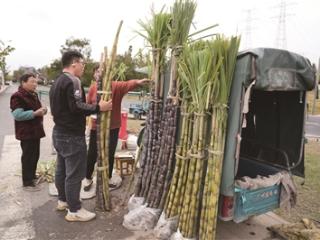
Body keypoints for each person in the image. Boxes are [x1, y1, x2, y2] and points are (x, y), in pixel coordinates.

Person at [49, 50, 112, 222]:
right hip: (71, 135)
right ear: (74, 63)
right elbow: (76, 107)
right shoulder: (73, 80)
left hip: (59, 132)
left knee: (61, 170)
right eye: (83, 64)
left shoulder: (56, 81)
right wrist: (99, 107)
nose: (84, 67)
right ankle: (75, 210)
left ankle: (63, 201)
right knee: (75, 175)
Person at [84, 64, 149, 191]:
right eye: (97, 72)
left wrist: (138, 81)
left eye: (102, 71)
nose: (100, 74)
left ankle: (107, 178)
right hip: (96, 127)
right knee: (92, 153)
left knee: (109, 153)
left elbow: (128, 84)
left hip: (112, 127)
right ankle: (87, 178)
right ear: (94, 75)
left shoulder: (116, 86)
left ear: (108, 73)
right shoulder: (93, 88)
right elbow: (87, 105)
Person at [10, 73, 47, 191]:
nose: (35, 84)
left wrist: (43, 110)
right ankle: (27, 182)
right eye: (32, 81)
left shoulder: (33, 94)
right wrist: (36, 113)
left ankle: (32, 176)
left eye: (36, 82)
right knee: (27, 156)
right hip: (26, 132)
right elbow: (17, 115)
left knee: (35, 155)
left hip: (36, 131)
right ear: (23, 82)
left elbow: (38, 109)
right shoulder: (17, 96)